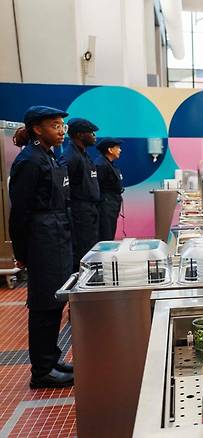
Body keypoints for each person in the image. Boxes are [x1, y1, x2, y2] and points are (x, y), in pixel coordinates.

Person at [9, 106, 74, 388]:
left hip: (56, 237)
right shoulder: (30, 161)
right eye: (54, 125)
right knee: (43, 307)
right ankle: (42, 371)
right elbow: (19, 212)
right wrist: (22, 254)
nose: (61, 130)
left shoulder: (48, 156)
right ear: (37, 129)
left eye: (62, 125)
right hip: (41, 240)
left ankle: (51, 358)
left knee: (55, 303)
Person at [59, 118, 101, 269]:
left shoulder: (84, 155)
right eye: (91, 133)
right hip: (79, 212)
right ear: (80, 135)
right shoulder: (70, 157)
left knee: (91, 247)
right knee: (82, 251)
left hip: (90, 210)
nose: (94, 136)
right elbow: (62, 186)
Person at [94, 137, 124, 241]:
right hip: (105, 206)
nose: (120, 150)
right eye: (118, 147)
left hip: (112, 204)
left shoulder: (109, 164)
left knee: (110, 233)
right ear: (110, 150)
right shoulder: (101, 165)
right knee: (106, 236)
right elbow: (97, 187)